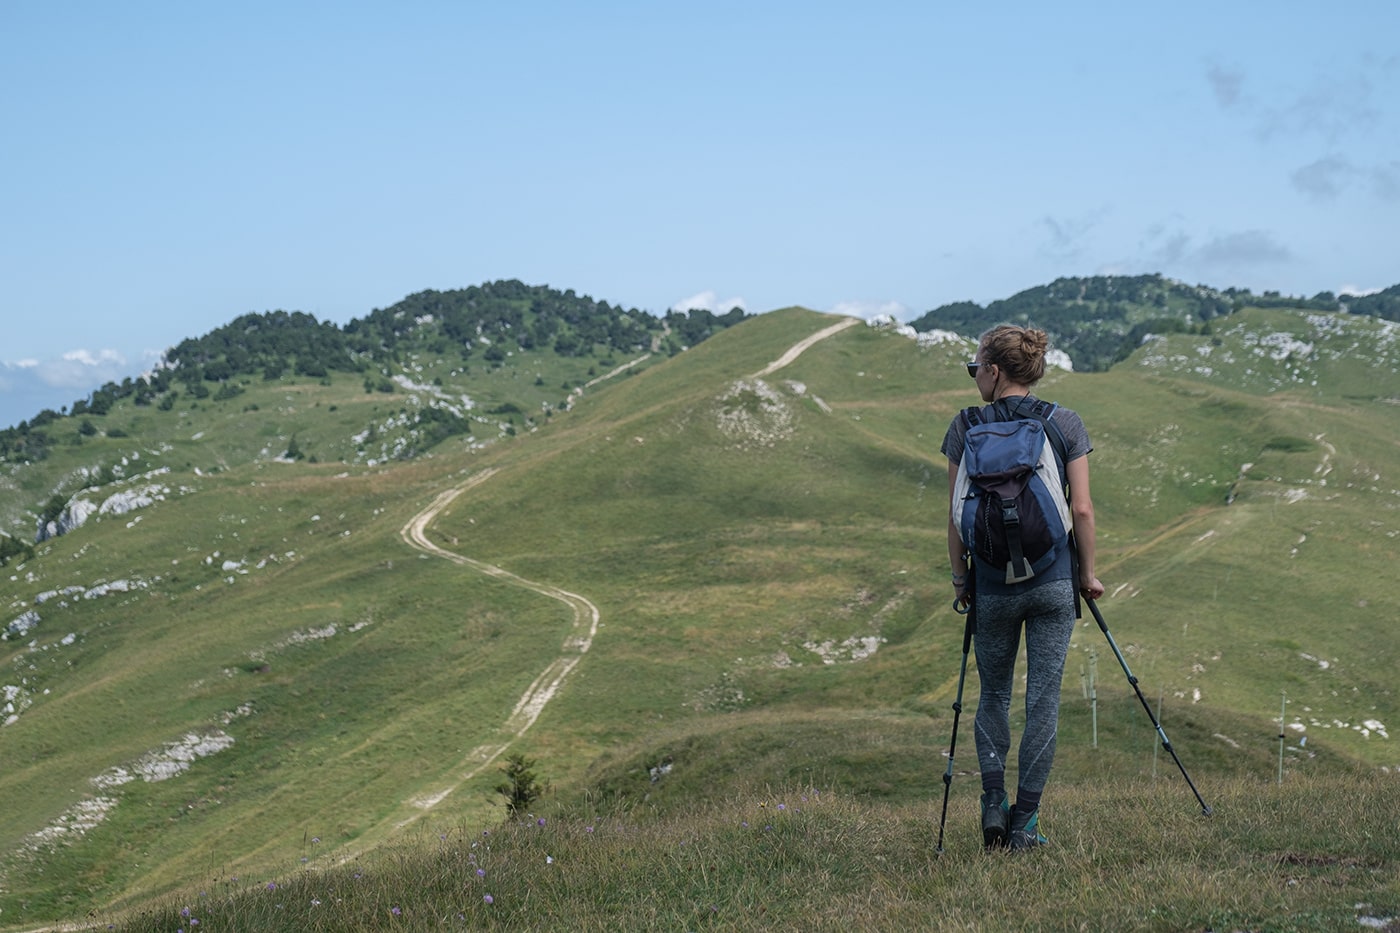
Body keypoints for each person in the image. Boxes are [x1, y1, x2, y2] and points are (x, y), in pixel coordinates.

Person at [940, 324, 1105, 851]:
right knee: (1043, 701)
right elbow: (1081, 509)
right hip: (1054, 582)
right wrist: (1088, 574)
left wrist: (961, 578)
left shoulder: (964, 427)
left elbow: (952, 517)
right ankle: (1026, 823)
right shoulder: (1064, 423)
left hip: (992, 587)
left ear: (994, 370)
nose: (974, 380)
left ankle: (993, 801)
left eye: (975, 369)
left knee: (992, 696)